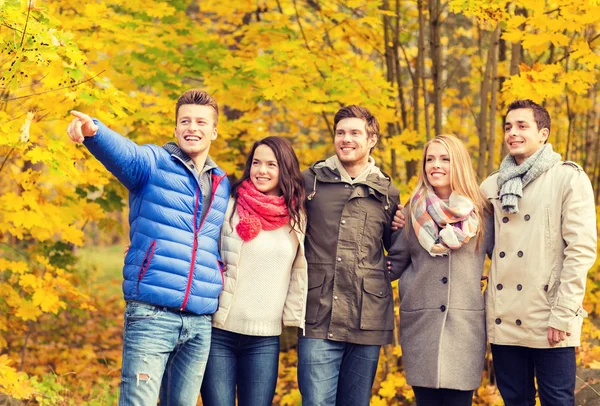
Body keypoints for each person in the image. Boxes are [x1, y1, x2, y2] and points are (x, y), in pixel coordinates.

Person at [66, 89, 230, 406]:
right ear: (175, 128)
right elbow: (125, 153)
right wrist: (94, 132)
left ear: (214, 131)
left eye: (200, 122)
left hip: (199, 322)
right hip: (152, 316)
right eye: (185, 121)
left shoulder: (221, 183)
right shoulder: (154, 163)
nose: (191, 128)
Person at [481, 99, 597, 405]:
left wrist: (563, 314)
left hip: (550, 317)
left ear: (543, 133)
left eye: (522, 126)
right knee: (514, 399)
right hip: (504, 317)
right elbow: (463, 227)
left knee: (557, 400)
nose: (513, 133)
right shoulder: (492, 185)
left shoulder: (567, 178)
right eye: (508, 127)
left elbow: (581, 250)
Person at [297, 105, 400, 405]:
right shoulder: (310, 182)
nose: (346, 139)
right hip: (317, 314)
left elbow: (398, 252)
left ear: (372, 139)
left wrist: (376, 281)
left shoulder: (387, 192)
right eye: (340, 132)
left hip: (366, 317)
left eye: (355, 133)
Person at [200, 136, 307, 406]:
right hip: (219, 333)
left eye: (271, 164)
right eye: (256, 163)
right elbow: (198, 243)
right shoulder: (230, 205)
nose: (262, 170)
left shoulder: (298, 215)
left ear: (285, 168)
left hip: (264, 340)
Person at [387, 134, 493, 406]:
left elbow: (505, 259)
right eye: (430, 159)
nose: (436, 165)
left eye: (444, 159)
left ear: (458, 163)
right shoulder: (411, 211)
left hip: (465, 328)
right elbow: (394, 264)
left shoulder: (482, 213)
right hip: (421, 326)